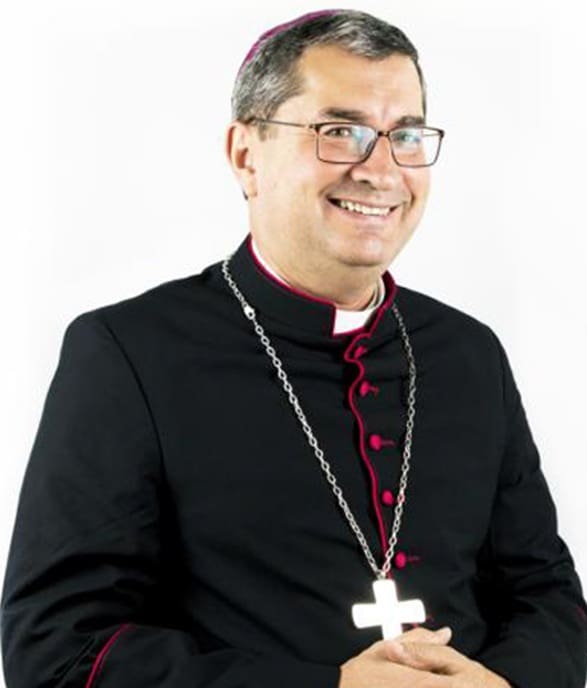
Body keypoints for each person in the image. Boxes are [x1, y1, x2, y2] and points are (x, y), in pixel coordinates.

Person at [1, 9, 586, 688]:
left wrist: (501, 684)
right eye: (339, 132)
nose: (381, 170)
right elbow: (55, 650)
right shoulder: (129, 353)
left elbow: (548, 596)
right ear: (246, 155)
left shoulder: (468, 352)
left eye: (405, 135)